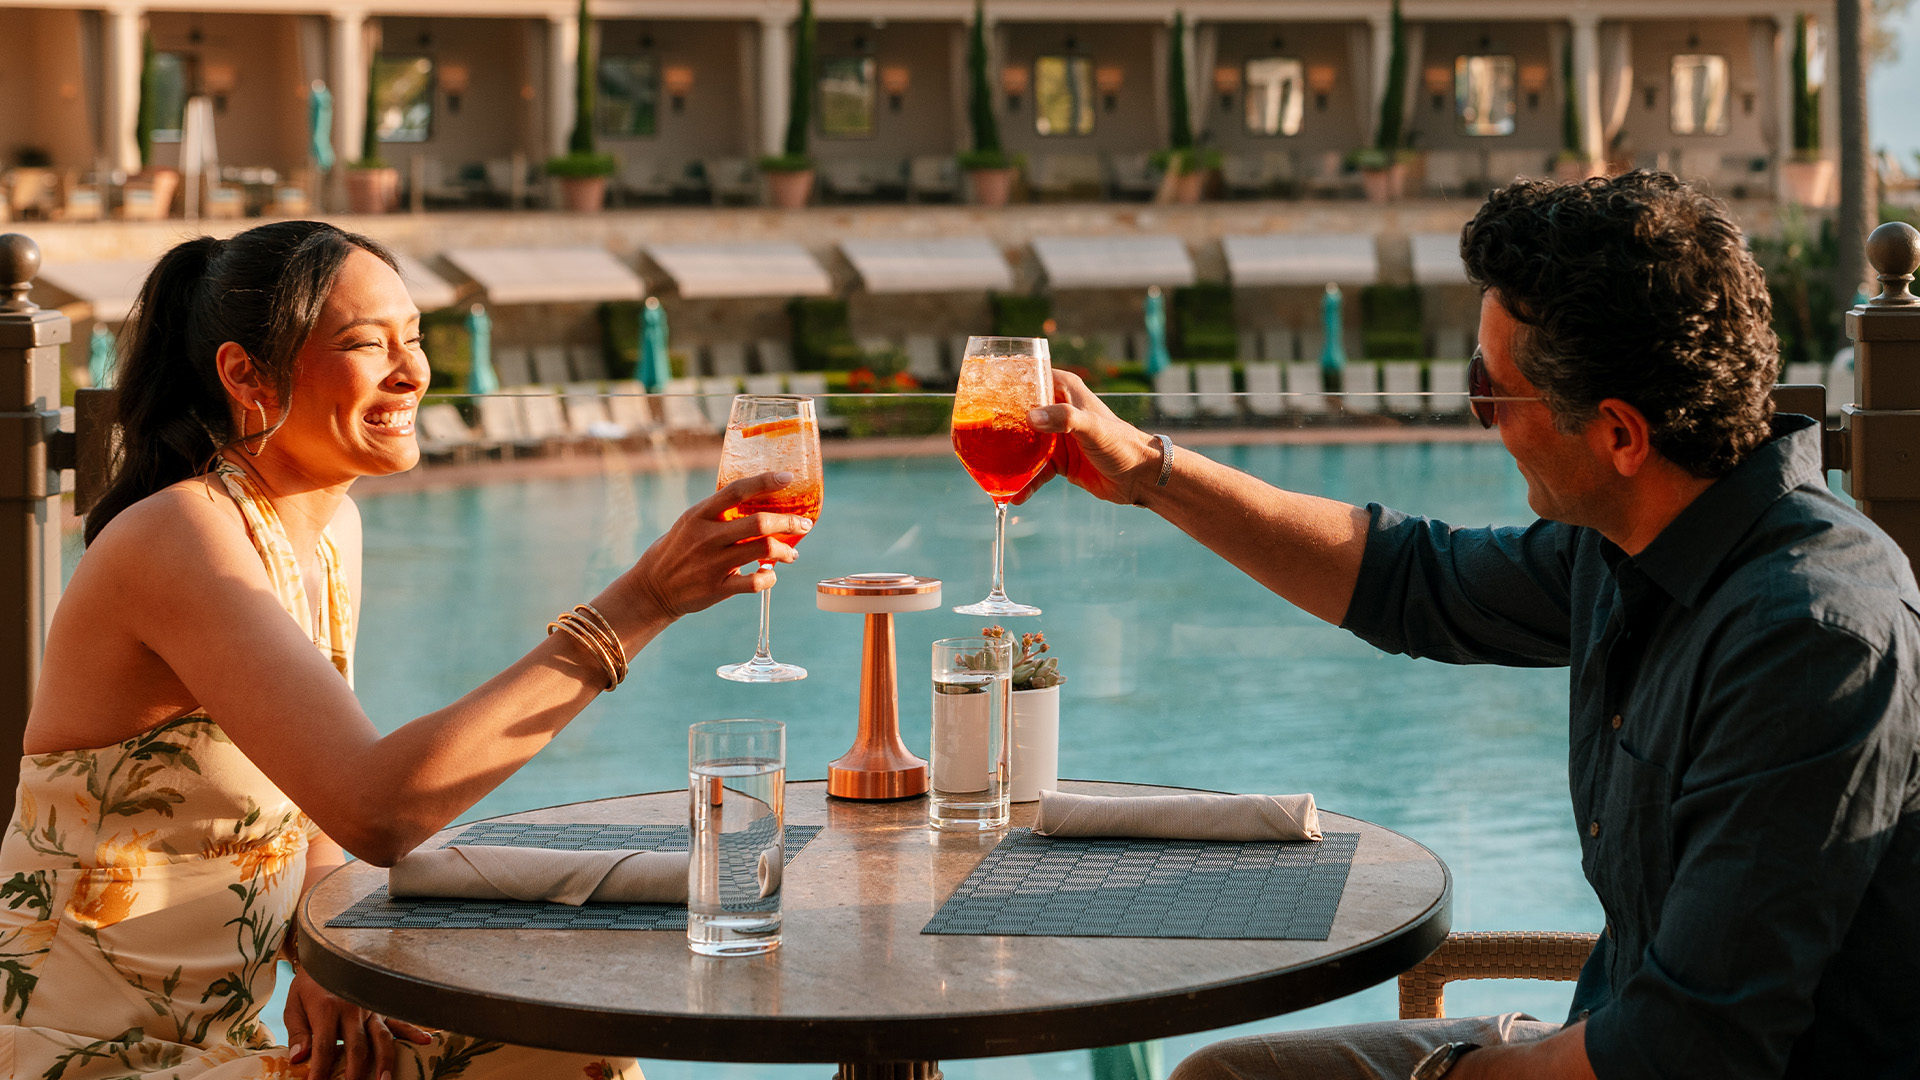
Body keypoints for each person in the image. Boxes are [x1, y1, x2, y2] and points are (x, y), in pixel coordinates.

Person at [1018, 172, 1920, 1079]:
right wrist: (1146, 471)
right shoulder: (1638, 541)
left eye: (1493, 392)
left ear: (1619, 434)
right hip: (1609, 1035)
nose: (1481, 416)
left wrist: (1442, 1077)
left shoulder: (1811, 641)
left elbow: (1687, 1048)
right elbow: (1410, 579)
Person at [0, 221, 814, 1080]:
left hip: (225, 1049)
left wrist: (322, 948)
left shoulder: (321, 531)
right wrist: (641, 602)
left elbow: (308, 803)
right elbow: (376, 810)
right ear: (245, 374)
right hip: (75, 1059)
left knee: (570, 1039)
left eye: (414, 339)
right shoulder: (180, 536)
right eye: (364, 344)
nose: (411, 372)